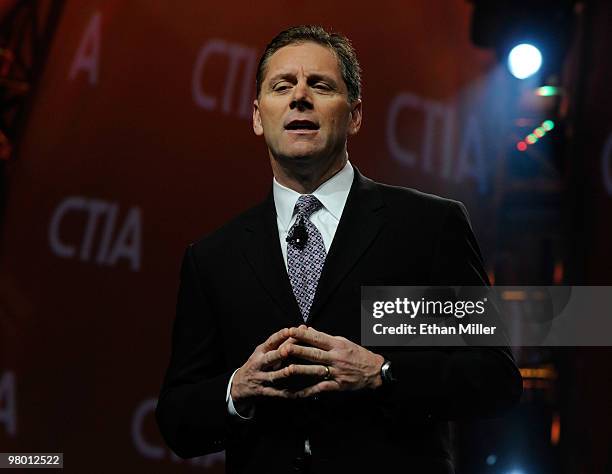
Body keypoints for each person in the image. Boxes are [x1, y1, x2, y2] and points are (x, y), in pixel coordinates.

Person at [155, 25, 522, 474]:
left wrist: (383, 373)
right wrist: (237, 388)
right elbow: (177, 420)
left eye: (321, 85)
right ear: (257, 116)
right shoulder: (214, 257)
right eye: (282, 86)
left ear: (355, 115)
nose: (300, 97)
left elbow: (494, 378)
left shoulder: (427, 227)